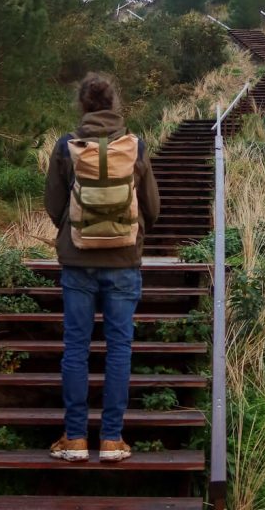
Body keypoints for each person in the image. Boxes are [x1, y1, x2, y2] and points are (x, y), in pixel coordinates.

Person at [44, 73, 160, 462]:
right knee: (119, 349)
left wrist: (73, 229)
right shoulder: (135, 145)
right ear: (114, 104)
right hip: (124, 262)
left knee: (75, 348)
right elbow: (153, 207)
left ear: (83, 106)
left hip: (77, 262)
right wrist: (133, 229)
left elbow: (53, 203)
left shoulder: (67, 146)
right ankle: (112, 439)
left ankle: (75, 438)